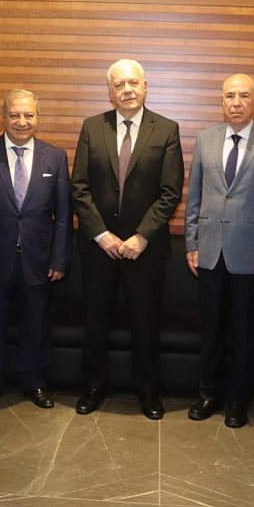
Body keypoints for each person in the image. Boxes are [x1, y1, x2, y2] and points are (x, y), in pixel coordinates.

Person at [71, 58, 184, 420]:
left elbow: (170, 191)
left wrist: (142, 236)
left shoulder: (166, 129)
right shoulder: (92, 127)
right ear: (110, 92)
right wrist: (101, 234)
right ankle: (93, 387)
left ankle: (148, 391)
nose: (127, 90)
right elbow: (79, 187)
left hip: (145, 249)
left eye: (133, 83)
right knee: (96, 320)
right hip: (98, 248)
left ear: (145, 87)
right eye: (119, 84)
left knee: (145, 322)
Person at [0, 89, 73, 410]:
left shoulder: (55, 157)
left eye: (28, 115)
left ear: (38, 117)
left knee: (36, 325)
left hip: (39, 261)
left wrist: (60, 258)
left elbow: (64, 215)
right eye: (14, 115)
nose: (22, 121)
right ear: (3, 117)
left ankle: (35, 383)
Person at [184, 74, 254, 427]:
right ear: (222, 101)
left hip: (252, 254)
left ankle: (238, 400)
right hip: (210, 251)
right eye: (230, 95)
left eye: (244, 95)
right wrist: (192, 243)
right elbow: (194, 196)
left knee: (246, 334)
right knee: (211, 330)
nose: (236, 102)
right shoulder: (205, 139)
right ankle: (210, 393)